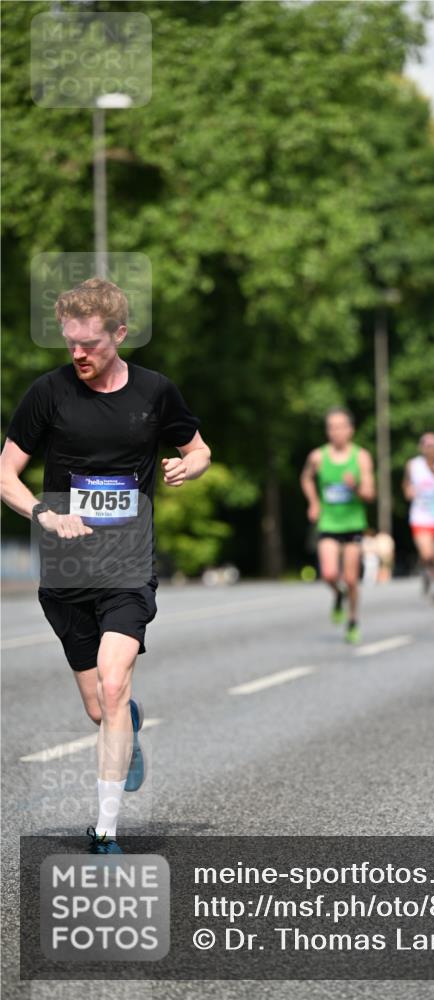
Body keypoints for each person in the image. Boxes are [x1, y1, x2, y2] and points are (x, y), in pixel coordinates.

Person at [0, 278, 210, 850]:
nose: (78, 354)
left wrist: (189, 467)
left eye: (90, 343)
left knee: (114, 686)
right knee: (100, 707)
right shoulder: (48, 394)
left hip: (128, 565)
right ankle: (124, 730)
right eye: (70, 343)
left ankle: (105, 831)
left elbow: (199, 448)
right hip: (66, 573)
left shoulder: (155, 393)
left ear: (120, 334)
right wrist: (46, 515)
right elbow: (4, 474)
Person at [300, 408, 375, 644]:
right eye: (331, 427)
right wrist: (313, 503)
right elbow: (305, 478)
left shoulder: (361, 457)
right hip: (329, 523)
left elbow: (370, 494)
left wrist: (355, 487)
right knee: (330, 573)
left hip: (353, 524)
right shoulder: (318, 457)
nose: (336, 431)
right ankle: (338, 594)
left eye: (341, 426)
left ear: (350, 429)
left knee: (352, 579)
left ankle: (352, 621)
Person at [402, 433, 434, 604]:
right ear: (421, 447)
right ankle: (427, 573)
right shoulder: (413, 465)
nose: (430, 448)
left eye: (433, 445)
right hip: (420, 517)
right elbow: (406, 484)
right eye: (426, 445)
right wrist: (408, 491)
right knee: (427, 554)